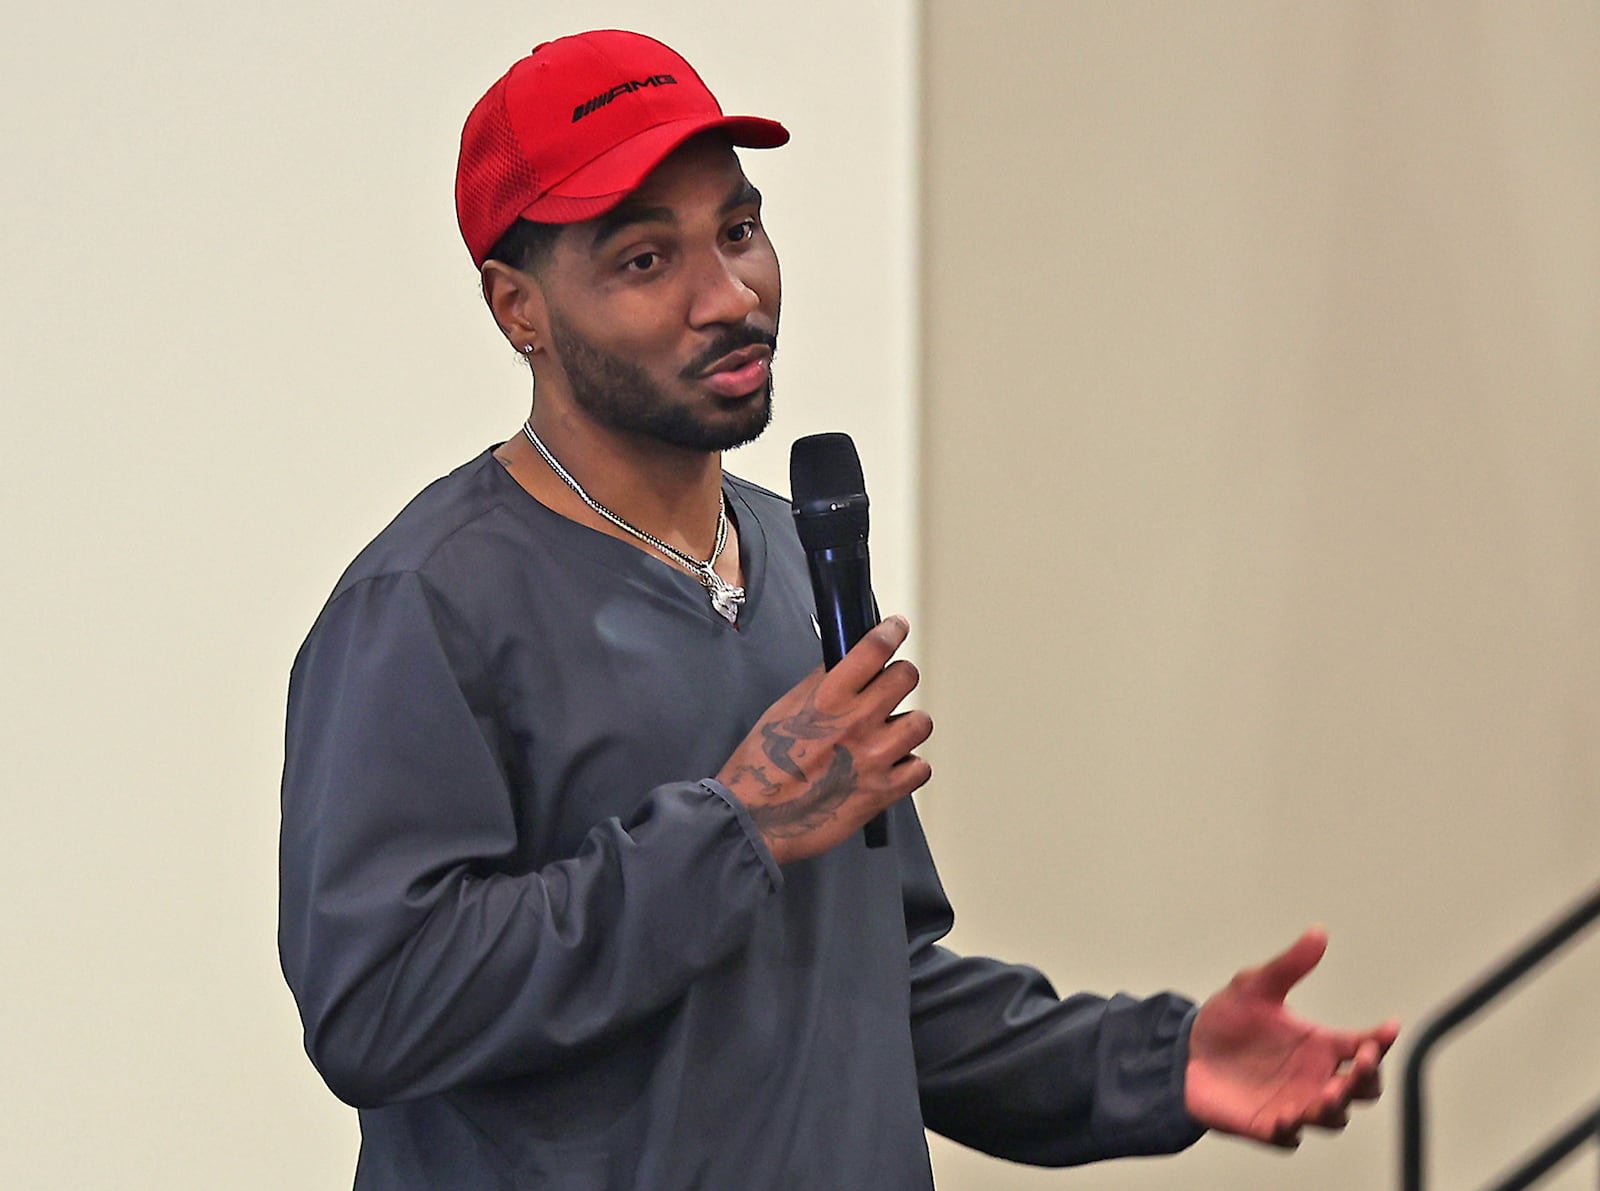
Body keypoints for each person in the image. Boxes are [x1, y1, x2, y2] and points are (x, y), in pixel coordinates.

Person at [278, 29, 1399, 1189]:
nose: (729, 295)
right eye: (646, 262)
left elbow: (870, 990)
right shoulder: (424, 605)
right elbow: (380, 1005)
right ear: (520, 309)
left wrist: (1154, 1066)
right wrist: (733, 828)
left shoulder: (788, 550)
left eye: (738, 230)